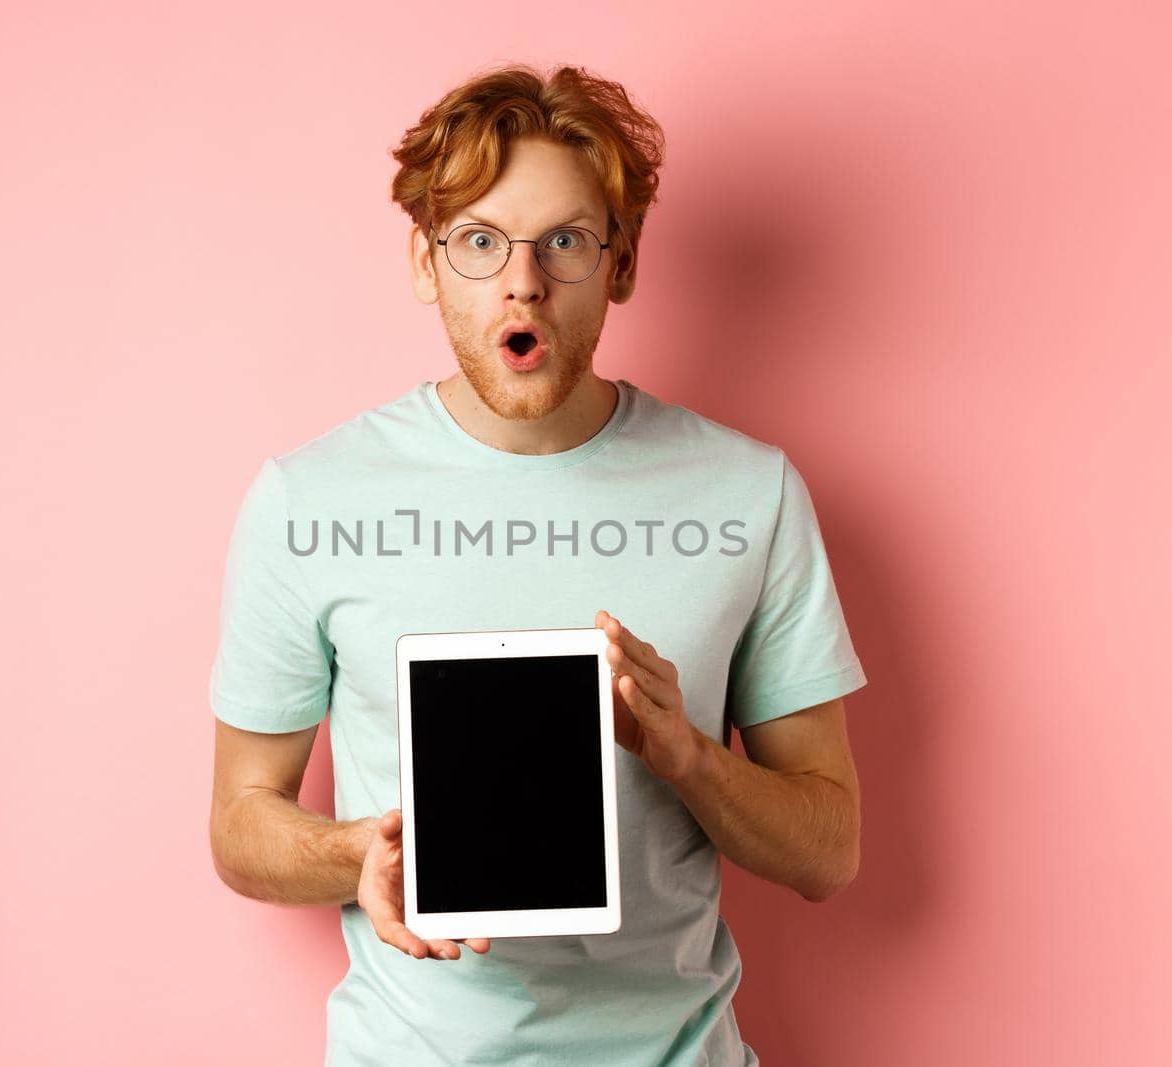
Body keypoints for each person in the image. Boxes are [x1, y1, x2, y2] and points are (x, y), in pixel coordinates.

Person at [208, 62, 867, 1067]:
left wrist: (688, 754)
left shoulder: (749, 492)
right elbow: (240, 821)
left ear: (621, 263)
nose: (523, 281)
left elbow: (828, 848)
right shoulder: (309, 498)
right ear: (427, 264)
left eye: (564, 240)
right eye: (479, 241)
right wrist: (356, 856)